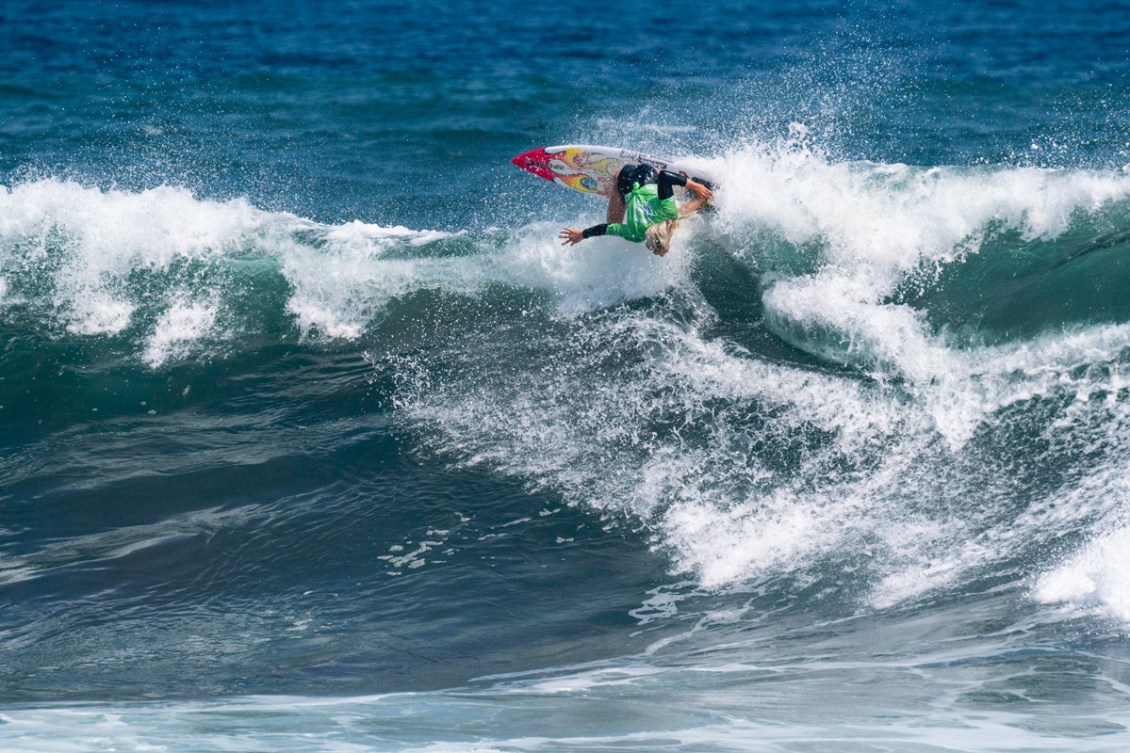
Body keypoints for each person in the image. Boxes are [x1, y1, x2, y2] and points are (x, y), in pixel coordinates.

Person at [558, 164, 714, 256]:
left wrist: (694, 186)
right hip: (633, 177)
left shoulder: (666, 215)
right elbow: (606, 229)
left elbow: (665, 177)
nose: (658, 254)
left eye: (655, 250)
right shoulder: (634, 233)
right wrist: (582, 235)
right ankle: (618, 178)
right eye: (658, 250)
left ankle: (695, 192)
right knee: (677, 214)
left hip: (644, 175)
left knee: (677, 214)